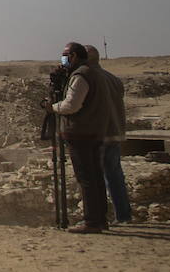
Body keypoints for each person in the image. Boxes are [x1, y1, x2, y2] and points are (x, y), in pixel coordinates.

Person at [44, 41, 111, 234]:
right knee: (96, 176)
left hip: (81, 132)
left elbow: (71, 105)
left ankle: (91, 221)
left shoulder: (81, 75)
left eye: (65, 56)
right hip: (95, 131)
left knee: (86, 177)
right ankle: (100, 219)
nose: (63, 60)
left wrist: (53, 108)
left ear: (73, 56)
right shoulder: (95, 73)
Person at [86, 45, 132, 225]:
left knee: (94, 178)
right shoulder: (113, 79)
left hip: (98, 134)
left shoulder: (89, 79)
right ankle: (123, 215)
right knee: (115, 175)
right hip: (115, 132)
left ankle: (97, 217)